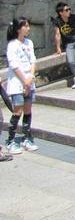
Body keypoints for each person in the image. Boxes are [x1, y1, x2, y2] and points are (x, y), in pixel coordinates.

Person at [5, 17, 39, 154]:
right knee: (17, 111)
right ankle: (11, 140)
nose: (28, 28)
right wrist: (24, 81)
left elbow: (33, 61)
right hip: (17, 82)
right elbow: (14, 65)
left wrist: (30, 77)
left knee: (28, 109)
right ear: (19, 28)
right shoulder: (12, 45)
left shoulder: (29, 43)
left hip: (29, 81)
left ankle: (27, 137)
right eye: (26, 26)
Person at [53, 2, 75, 89]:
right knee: (71, 62)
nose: (69, 11)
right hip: (69, 44)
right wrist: (58, 48)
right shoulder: (57, 21)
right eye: (66, 10)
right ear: (61, 12)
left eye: (69, 9)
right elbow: (57, 34)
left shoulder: (74, 17)